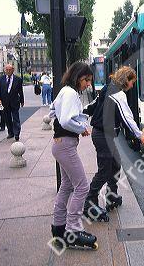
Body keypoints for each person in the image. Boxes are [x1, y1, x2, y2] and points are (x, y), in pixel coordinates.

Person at [83, 66, 144, 220]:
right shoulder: (119, 94)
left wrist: (82, 112)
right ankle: (89, 204)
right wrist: (140, 135)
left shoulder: (108, 87)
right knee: (104, 171)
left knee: (115, 165)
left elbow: (93, 105)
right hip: (103, 135)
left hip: (104, 135)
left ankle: (111, 196)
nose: (132, 86)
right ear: (126, 80)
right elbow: (127, 118)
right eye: (132, 82)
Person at [49, 62, 98, 250]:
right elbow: (66, 119)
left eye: (89, 81)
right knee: (82, 186)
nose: (88, 84)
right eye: (86, 80)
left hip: (60, 144)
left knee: (66, 186)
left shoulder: (65, 91)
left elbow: (52, 111)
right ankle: (73, 230)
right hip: (66, 145)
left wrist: (77, 123)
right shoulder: (70, 93)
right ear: (78, 76)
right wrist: (82, 127)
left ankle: (59, 228)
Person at [0, 64, 24, 141]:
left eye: (9, 69)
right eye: (6, 69)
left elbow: (20, 91)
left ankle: (17, 133)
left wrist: (22, 100)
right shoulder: (0, 79)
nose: (8, 71)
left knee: (15, 118)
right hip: (4, 102)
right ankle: (10, 133)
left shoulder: (18, 79)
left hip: (14, 102)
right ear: (5, 70)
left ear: (13, 70)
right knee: (7, 118)